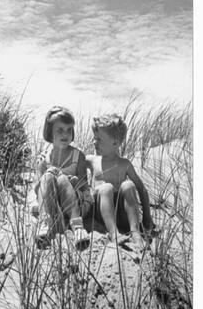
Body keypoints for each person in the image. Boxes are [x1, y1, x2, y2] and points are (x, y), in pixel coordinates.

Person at [87, 114, 153, 248]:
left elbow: (141, 188)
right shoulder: (91, 160)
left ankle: (135, 232)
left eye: (99, 139)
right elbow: (71, 162)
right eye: (94, 138)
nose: (94, 142)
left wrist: (147, 216)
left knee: (128, 185)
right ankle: (113, 233)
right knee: (106, 188)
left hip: (122, 216)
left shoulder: (124, 164)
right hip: (101, 216)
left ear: (115, 143)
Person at [34, 106, 92, 250]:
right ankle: (46, 222)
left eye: (68, 130)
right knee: (48, 176)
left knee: (62, 179)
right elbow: (39, 189)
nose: (65, 134)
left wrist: (72, 180)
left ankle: (77, 227)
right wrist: (42, 171)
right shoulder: (44, 157)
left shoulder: (78, 156)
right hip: (53, 204)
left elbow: (84, 185)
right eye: (60, 130)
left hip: (76, 203)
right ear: (50, 133)